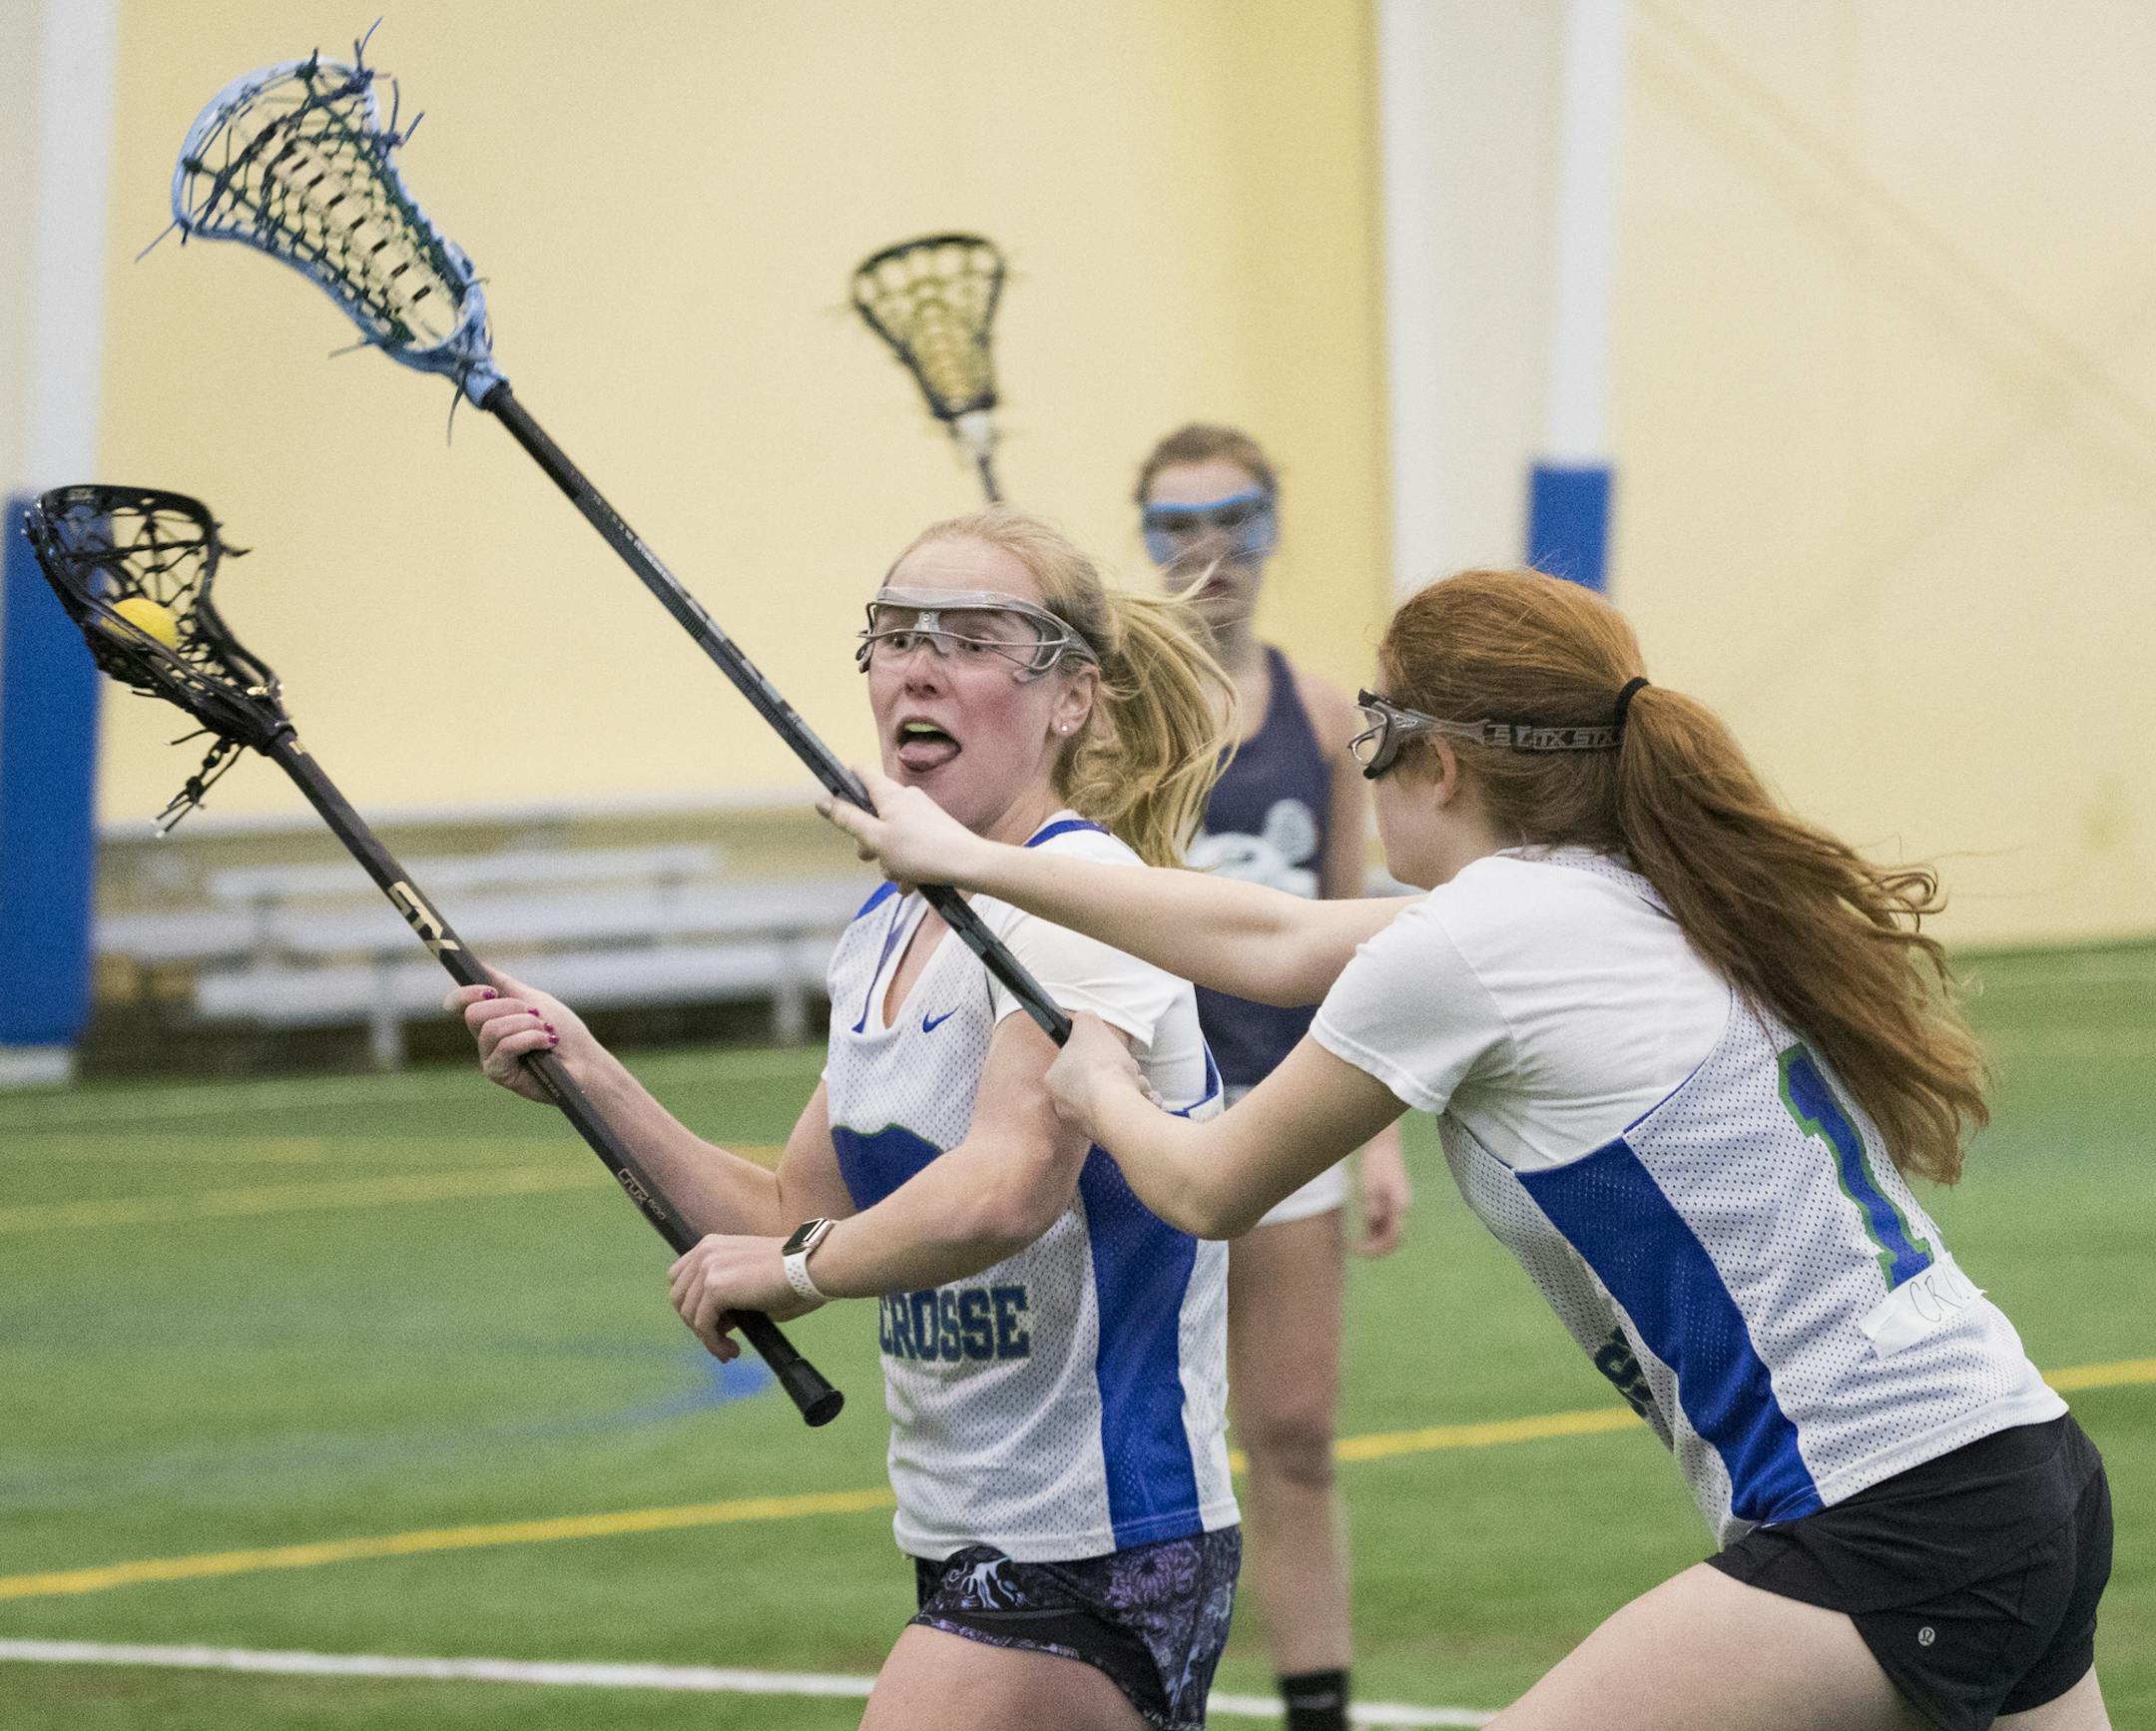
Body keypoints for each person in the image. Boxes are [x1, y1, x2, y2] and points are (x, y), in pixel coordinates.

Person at [821, 565, 2115, 1731]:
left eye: (1374, 737)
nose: (1364, 772)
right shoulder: (1613, 891)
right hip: (2021, 1462)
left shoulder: (1482, 941)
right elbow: (1264, 936)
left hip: (1888, 1508)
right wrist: (972, 860)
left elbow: (1209, 1187)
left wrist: (1101, 1088)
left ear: (1439, 763)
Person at [449, 507, 1247, 1731]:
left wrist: (794, 1270)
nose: (919, 667)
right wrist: (590, 1073)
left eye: (973, 639)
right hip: (960, 1530)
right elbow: (787, 1212)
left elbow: (1006, 1188)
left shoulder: (1085, 898)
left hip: (1102, 1534)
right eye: (896, 634)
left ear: (1073, 698)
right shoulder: (882, 930)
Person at [1135, 422, 1411, 1731]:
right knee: (1145, 1437)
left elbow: (1354, 927)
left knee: (1293, 1431)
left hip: (1289, 1108)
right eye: (1177, 523)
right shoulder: (1118, 712)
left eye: (1233, 517)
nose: (1209, 549)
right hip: (1143, 1114)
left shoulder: (1321, 713)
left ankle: (1319, 1711)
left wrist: (1381, 1135)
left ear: (1271, 528)